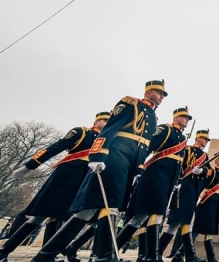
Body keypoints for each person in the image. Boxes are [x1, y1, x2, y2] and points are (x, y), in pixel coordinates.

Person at [30, 79, 167, 262]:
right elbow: (110, 129)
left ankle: (46, 255)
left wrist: (138, 168)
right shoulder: (130, 103)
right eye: (159, 93)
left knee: (95, 209)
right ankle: (105, 256)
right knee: (108, 204)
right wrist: (98, 156)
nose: (161, 97)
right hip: (115, 156)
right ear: (149, 92)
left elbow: (143, 146)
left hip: (128, 163)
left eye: (163, 95)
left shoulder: (153, 117)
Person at [0, 111, 110, 262]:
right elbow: (55, 147)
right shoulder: (81, 132)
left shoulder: (105, 141)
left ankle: (47, 254)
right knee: (40, 216)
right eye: (104, 120)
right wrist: (29, 165)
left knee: (58, 217)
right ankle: (4, 251)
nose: (106, 123)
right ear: (96, 121)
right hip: (64, 178)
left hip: (81, 182)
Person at [115, 107, 192, 262]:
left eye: (188, 118)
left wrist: (178, 180)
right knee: (147, 215)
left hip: (168, 180)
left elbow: (179, 163)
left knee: (148, 216)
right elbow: (148, 147)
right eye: (184, 117)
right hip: (155, 176)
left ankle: (149, 255)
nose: (187, 120)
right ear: (176, 118)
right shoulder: (165, 129)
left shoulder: (182, 138)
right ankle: (148, 254)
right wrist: (139, 167)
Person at [158, 129, 211, 262]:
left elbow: (209, 171)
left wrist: (202, 170)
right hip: (184, 187)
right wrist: (179, 179)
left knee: (180, 222)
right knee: (178, 222)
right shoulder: (186, 149)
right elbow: (178, 164)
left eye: (206, 140)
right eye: (204, 139)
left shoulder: (205, 156)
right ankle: (188, 256)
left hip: (194, 190)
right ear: (198, 138)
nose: (205, 142)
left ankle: (162, 252)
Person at [192, 153, 219, 262]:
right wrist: (199, 170)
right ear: (217, 160)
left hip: (214, 204)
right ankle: (180, 253)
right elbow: (203, 173)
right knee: (197, 229)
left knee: (209, 230)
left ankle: (211, 258)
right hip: (207, 203)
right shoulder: (211, 170)